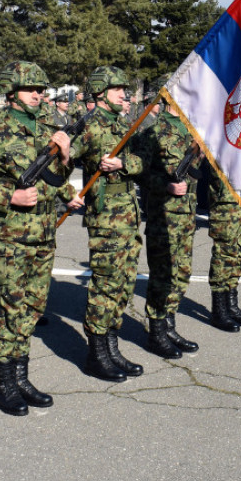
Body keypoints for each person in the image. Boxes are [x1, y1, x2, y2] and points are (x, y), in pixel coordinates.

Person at [0, 61, 82, 415]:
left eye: (42, 89)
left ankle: (22, 375)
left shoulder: (47, 128)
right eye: (31, 89)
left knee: (32, 308)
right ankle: (4, 383)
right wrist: (7, 197)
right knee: (7, 308)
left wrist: (66, 156)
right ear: (13, 91)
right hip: (12, 236)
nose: (38, 94)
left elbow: (55, 179)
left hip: (45, 234)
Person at [74, 66, 145, 381]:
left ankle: (112, 347)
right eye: (118, 89)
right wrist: (67, 192)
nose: (123, 94)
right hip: (105, 217)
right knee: (105, 283)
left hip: (128, 212)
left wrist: (122, 163)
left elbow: (143, 160)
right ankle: (96, 353)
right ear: (101, 92)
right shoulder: (89, 127)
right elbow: (63, 160)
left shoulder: (123, 123)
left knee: (124, 281)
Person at [140, 98, 202, 353]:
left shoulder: (192, 130)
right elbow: (140, 172)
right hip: (163, 214)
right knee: (162, 274)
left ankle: (169, 324)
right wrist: (165, 185)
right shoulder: (154, 131)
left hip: (186, 213)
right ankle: (156, 331)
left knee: (182, 272)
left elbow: (194, 172)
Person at [207, 172, 241, 330]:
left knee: (240, 250)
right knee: (224, 252)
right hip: (226, 191)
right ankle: (219, 310)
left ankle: (231, 305)